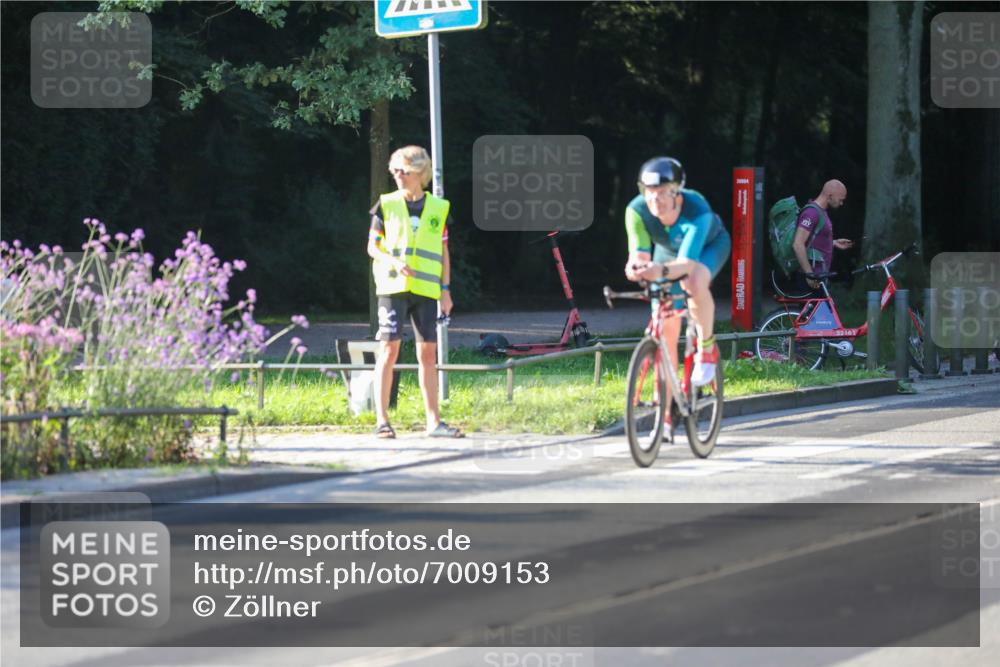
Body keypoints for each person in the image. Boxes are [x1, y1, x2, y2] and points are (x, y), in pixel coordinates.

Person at [367, 145, 462, 439]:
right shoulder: (386, 204)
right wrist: (394, 261)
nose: (397, 175)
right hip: (392, 287)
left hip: (426, 289)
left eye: (403, 171)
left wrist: (445, 291)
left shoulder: (438, 208)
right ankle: (382, 421)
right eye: (393, 170)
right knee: (389, 349)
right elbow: (372, 247)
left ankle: (434, 422)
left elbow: (444, 251)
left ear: (420, 174)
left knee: (427, 354)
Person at [624, 157, 731, 410]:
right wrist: (636, 268)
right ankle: (666, 399)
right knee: (666, 329)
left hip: (707, 248)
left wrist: (658, 270)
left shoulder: (697, 208)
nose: (654, 200)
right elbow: (639, 255)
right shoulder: (636, 210)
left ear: (677, 194)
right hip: (667, 253)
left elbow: (686, 264)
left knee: (693, 282)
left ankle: (706, 349)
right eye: (649, 193)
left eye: (661, 193)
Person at [793, 179, 854, 293]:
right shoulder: (811, 213)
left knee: (822, 311)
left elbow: (813, 240)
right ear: (830, 196)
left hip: (819, 276)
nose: (841, 203)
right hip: (811, 279)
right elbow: (798, 244)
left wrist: (833, 242)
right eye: (840, 200)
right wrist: (809, 274)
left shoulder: (821, 212)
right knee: (815, 311)